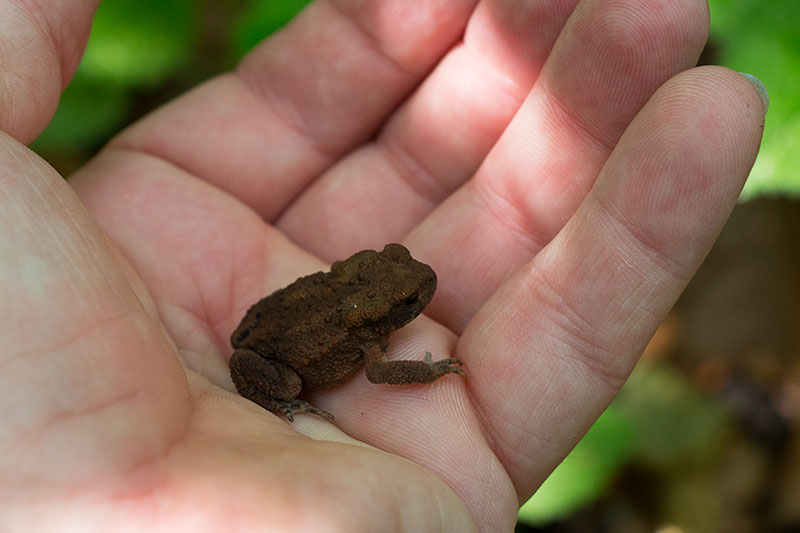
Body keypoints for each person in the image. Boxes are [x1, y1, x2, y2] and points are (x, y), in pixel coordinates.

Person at [0, 1, 766, 531]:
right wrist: (428, 374)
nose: (415, 294)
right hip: (277, 352)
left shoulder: (360, 305)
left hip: (288, 309)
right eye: (405, 299)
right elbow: (377, 373)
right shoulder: (367, 341)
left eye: (402, 284)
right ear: (381, 314)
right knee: (287, 378)